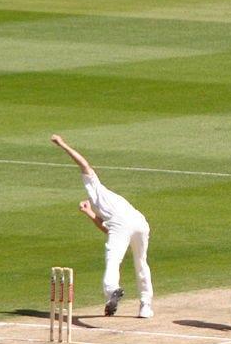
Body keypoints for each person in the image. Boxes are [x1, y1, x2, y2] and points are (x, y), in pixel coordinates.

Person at [50, 135, 154, 318]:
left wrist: (62, 144)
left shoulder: (95, 187)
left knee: (113, 260)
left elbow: (84, 164)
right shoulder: (104, 202)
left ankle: (112, 290)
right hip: (139, 222)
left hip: (121, 223)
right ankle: (145, 305)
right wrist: (89, 213)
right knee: (141, 262)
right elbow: (109, 230)